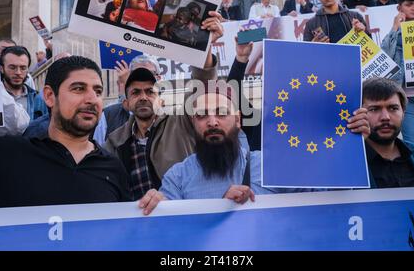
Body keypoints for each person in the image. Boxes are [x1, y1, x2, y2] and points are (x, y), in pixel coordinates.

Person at [138, 86, 370, 215]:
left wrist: (348, 141)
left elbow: (332, 197)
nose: (212, 122)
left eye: (221, 113)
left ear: (238, 120)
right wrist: (157, 203)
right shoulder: (177, 177)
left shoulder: (273, 163)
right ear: (193, 123)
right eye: (202, 116)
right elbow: (173, 234)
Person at [0, 56, 132, 208]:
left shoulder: (113, 167)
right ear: (49, 96)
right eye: (79, 89)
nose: (92, 99)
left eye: (98, 91)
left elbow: (127, 227)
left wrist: (153, 204)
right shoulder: (5, 155)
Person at [105, 11, 224, 198]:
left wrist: (205, 45)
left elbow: (202, 85)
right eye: (136, 92)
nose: (143, 97)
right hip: (138, 223)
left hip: (182, 218)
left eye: (149, 91)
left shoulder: (180, 122)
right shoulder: (114, 141)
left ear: (159, 92)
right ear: (126, 101)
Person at [381, 0, 414, 163]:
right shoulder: (394, 32)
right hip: (407, 99)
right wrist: (395, 28)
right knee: (413, 146)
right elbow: (385, 56)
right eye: (409, 4)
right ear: (399, 7)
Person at [362, 78, 414, 187]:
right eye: (374, 109)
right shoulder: (350, 161)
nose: (385, 117)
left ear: (403, 112)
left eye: (393, 108)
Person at [92, 55, 162, 145]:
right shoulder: (108, 116)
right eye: (136, 75)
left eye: (149, 91)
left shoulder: (175, 121)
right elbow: (98, 153)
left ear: (159, 79)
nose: (143, 97)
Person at [303, 0, 368, 43]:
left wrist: (364, 31)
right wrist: (313, 46)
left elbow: (370, 44)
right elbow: (306, 51)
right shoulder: (311, 24)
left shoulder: (355, 16)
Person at [0, 46, 47, 120]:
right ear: (1, 69)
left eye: (23, 68)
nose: (18, 72)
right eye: (12, 67)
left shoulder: (38, 100)